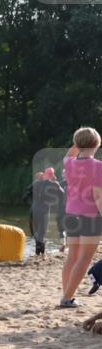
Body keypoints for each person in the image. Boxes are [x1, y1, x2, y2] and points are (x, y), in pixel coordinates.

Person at [59, 127, 102, 308]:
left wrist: (78, 141)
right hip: (90, 216)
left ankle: (67, 294)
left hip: (71, 214)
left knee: (72, 257)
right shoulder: (98, 167)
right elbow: (98, 196)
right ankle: (67, 299)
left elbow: (71, 153)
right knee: (84, 258)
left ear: (77, 144)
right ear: (97, 144)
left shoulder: (69, 163)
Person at [22, 170, 67, 258]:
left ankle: (38, 253)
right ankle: (41, 253)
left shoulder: (35, 183)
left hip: (33, 210)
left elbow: (24, 197)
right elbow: (62, 194)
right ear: (52, 175)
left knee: (36, 232)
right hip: (44, 211)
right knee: (42, 232)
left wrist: (32, 204)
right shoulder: (53, 184)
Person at [44, 167, 68, 252]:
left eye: (65, 173)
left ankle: (69, 245)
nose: (63, 175)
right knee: (61, 228)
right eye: (62, 173)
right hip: (60, 209)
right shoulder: (60, 183)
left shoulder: (73, 184)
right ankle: (63, 244)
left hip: (70, 209)